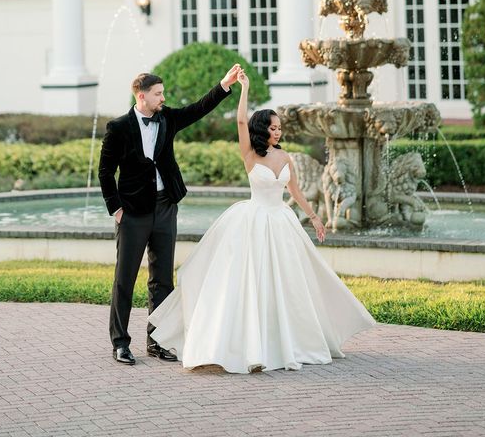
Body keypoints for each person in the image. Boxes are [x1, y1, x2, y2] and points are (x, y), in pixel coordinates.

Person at [149, 67, 376, 373]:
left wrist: (315, 218)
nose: (278, 132)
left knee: (290, 284)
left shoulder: (285, 158)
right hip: (252, 221)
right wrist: (243, 88)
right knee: (251, 282)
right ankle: (249, 345)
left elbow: (295, 191)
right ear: (262, 130)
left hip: (281, 222)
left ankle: (290, 341)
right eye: (272, 128)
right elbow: (241, 120)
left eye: (280, 128)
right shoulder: (250, 155)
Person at [98, 65, 240, 365]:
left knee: (162, 280)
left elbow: (198, 109)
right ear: (141, 96)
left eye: (163, 93)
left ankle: (157, 341)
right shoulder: (119, 127)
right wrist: (117, 208)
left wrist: (224, 85)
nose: (163, 98)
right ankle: (120, 343)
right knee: (125, 279)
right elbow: (105, 172)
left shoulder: (167, 119)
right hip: (133, 213)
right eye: (158, 93)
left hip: (165, 208)